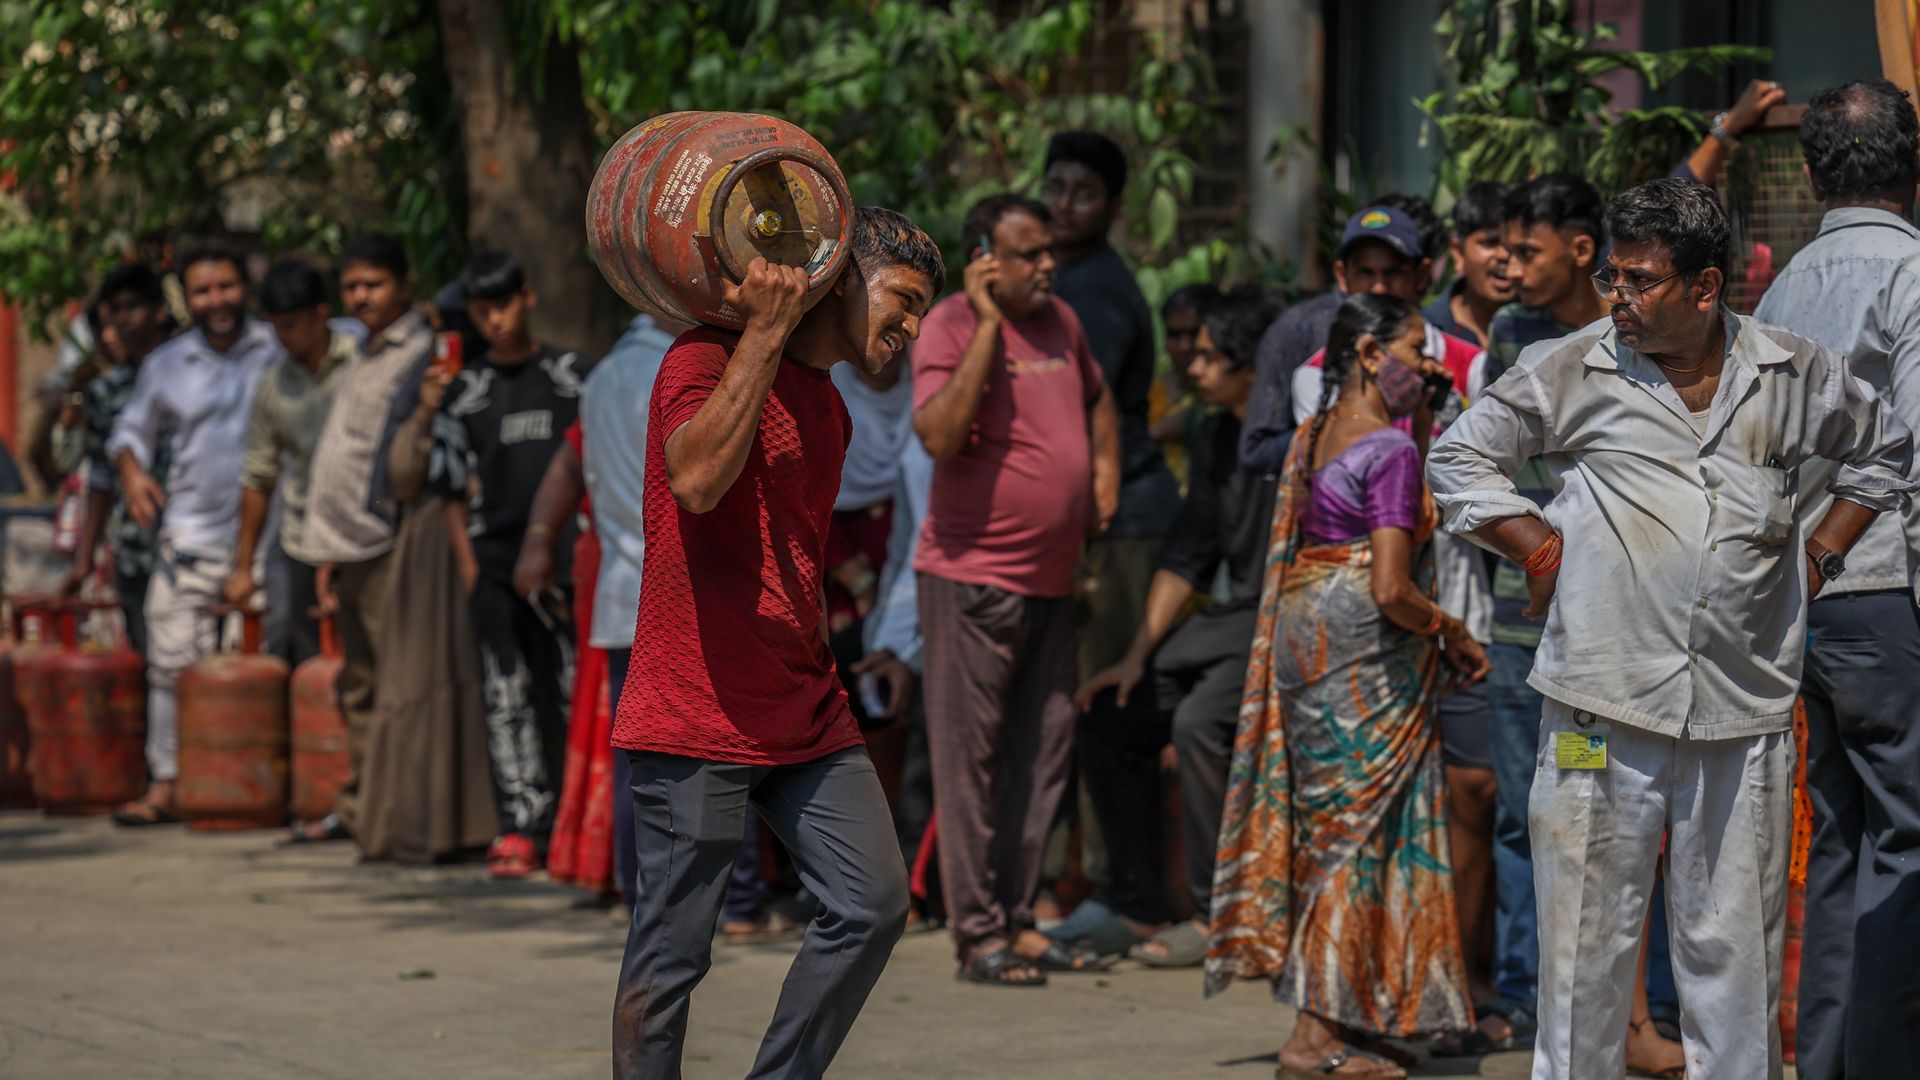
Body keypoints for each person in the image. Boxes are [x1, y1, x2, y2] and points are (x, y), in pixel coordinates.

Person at [1429, 177, 1915, 1080]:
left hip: (1744, 713)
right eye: (1614, 276)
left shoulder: (1792, 371)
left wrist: (1821, 554)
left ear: (1705, 286)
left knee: (1735, 961)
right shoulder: (1573, 366)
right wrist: (1537, 548)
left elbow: (1884, 450)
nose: (1619, 297)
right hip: (1598, 709)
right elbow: (1458, 456)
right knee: (1583, 953)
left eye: (1641, 280)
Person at [609, 207, 941, 1079]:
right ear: (839, 274)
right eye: (902, 302)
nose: (909, 331)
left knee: (873, 903)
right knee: (670, 963)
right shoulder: (700, 359)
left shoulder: (831, 411)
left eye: (921, 316)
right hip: (694, 705)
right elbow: (698, 480)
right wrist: (765, 326)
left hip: (802, 703)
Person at [1208, 294, 1484, 1079]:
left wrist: (1423, 422)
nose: (1430, 366)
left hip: (1306, 637)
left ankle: (1353, 1016)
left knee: (1331, 833)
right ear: (1369, 354)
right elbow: (1395, 588)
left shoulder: (1311, 436)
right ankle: (1312, 1038)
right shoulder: (1388, 452)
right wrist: (1454, 632)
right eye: (1415, 350)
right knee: (1357, 841)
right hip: (1365, 651)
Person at [1749, 78, 1920, 1080]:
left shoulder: (1781, 290)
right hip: (1885, 592)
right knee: (1903, 848)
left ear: (1812, 172)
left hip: (1804, 603)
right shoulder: (1909, 272)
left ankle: (1829, 1061)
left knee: (1848, 845)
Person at [912, 193, 1121, 986]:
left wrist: (1101, 471)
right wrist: (987, 325)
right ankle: (977, 935)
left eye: (1047, 253)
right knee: (973, 763)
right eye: (1028, 254)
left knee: (1041, 757)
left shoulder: (1064, 323)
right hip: (971, 583)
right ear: (984, 260)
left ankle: (1018, 913)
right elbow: (937, 434)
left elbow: (1097, 402)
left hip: (1052, 581)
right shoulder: (949, 328)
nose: (1047, 265)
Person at [1073, 292, 1275, 968]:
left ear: (1255, 367)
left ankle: (1220, 916)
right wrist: (1134, 657)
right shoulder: (1216, 433)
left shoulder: (1297, 438)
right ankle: (1136, 900)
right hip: (1228, 623)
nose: (1193, 366)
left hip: (1279, 623)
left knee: (1197, 725)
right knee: (1110, 711)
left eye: (1212, 356)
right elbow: (1188, 554)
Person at [289, 233, 494, 857]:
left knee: (398, 686)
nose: (361, 296)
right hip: (345, 543)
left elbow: (405, 461)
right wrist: (327, 549)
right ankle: (359, 805)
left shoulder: (422, 354)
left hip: (388, 543)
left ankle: (395, 810)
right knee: (359, 685)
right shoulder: (360, 352)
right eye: (352, 286)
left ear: (405, 285)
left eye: (373, 284)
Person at [1042, 131, 1182, 934]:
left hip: (1122, 519)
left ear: (1115, 205)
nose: (1064, 203)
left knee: (1108, 702)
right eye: (1055, 186)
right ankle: (1086, 885)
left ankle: (1122, 894)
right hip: (1088, 520)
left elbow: (1070, 411)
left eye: (1082, 192)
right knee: (1077, 701)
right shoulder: (1060, 278)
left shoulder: (1096, 291)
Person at [106, 244, 284, 827]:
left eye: (227, 287)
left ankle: (251, 788)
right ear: (187, 298)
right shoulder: (165, 364)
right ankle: (168, 783)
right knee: (170, 664)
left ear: (245, 287)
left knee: (258, 665)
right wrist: (132, 473)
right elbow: (129, 431)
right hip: (189, 539)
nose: (217, 301)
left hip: (268, 542)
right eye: (204, 291)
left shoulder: (277, 347)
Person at [430, 250, 592, 877]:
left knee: (577, 693)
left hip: (567, 568)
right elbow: (449, 491)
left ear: (527, 296)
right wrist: (471, 573)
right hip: (495, 568)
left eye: (503, 302)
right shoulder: (465, 393)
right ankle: (523, 826)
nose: (495, 318)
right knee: (507, 699)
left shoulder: (575, 376)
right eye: (481, 308)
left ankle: (581, 828)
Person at [514, 313, 676, 904]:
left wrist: (537, 536)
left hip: (618, 592)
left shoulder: (605, 374)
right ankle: (713, 902)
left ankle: (636, 891)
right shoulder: (681, 369)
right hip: (675, 599)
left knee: (640, 765)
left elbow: (572, 465)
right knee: (693, 765)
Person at [1242, 201, 1436, 472]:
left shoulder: (1444, 348)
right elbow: (1256, 450)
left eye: (1393, 272)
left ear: (1421, 275)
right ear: (1342, 275)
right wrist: (1341, 433)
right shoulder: (1300, 331)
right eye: (1365, 273)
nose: (1379, 287)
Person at [226, 258, 354, 668]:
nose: (283, 337)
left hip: (366, 541)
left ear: (322, 314)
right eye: (276, 326)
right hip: (305, 541)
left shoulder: (363, 363)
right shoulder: (273, 387)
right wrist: (243, 568)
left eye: (292, 324)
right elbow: (258, 477)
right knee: (309, 662)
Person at [58, 264, 174, 655]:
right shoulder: (106, 392)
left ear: (159, 310)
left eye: (130, 307)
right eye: (113, 312)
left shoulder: (194, 372)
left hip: (198, 542)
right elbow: (102, 479)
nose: (121, 320)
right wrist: (84, 559)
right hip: (137, 549)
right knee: (146, 660)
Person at [1424, 181, 1514, 348]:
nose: (1504, 255)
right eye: (1490, 242)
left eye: (1512, 245)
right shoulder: (1426, 334)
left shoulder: (1549, 330)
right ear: (1458, 252)